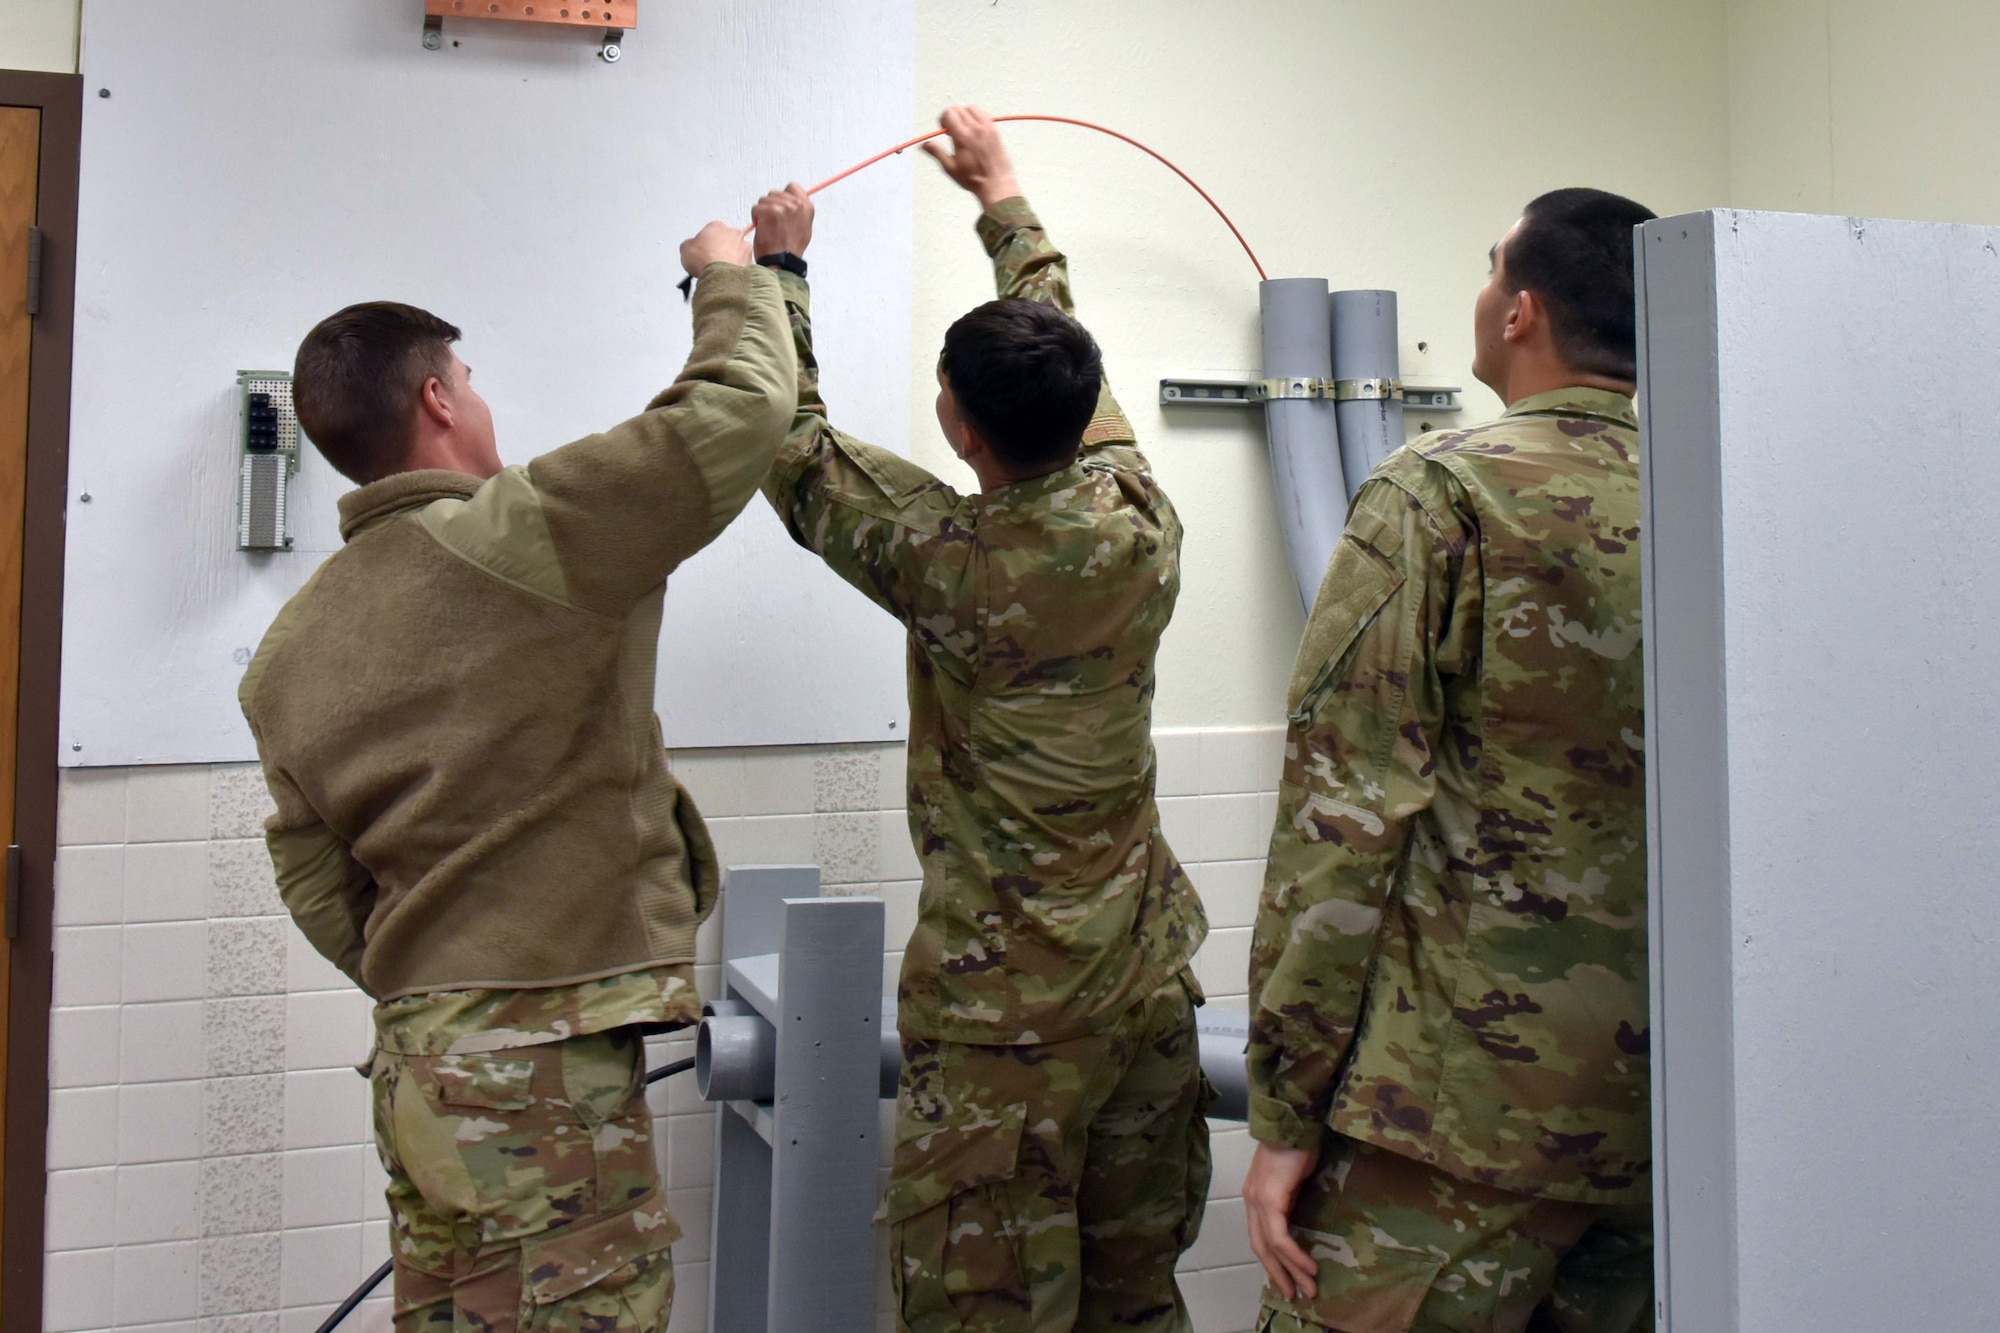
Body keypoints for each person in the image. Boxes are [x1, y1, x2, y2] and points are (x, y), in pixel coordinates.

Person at [237, 224, 795, 1329]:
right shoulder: (522, 535)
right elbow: (736, 414)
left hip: (417, 1066)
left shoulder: (287, 651)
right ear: (439, 400)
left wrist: (446, 978)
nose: (482, 404)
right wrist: (734, 273)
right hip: (537, 1077)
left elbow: (315, 884)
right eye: (471, 381)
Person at [749, 105, 1211, 1333]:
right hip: (1147, 992)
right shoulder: (1137, 512)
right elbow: (1071, 348)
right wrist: (999, 192)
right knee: (1135, 1307)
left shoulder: (951, 562)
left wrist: (769, 276)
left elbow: (788, 449)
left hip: (1007, 1028)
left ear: (956, 421)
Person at [1241, 188, 1659, 1333]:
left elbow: (1342, 818)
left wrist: (1283, 1111)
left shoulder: (1438, 491)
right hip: (1671, 1131)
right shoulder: (1721, 492)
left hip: (1451, 1127)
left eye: (1487, 274)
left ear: (1519, 312)